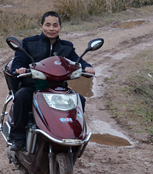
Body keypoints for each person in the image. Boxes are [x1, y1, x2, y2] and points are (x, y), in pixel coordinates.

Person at [9, 11, 95, 151]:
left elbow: (77, 61)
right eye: (48, 25)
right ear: (41, 26)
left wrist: (87, 67)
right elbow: (19, 61)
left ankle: (72, 134)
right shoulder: (29, 43)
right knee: (21, 96)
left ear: (60, 28)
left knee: (80, 99)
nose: (51, 29)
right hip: (34, 87)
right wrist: (20, 69)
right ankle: (18, 137)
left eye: (55, 25)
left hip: (58, 89)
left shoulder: (66, 47)